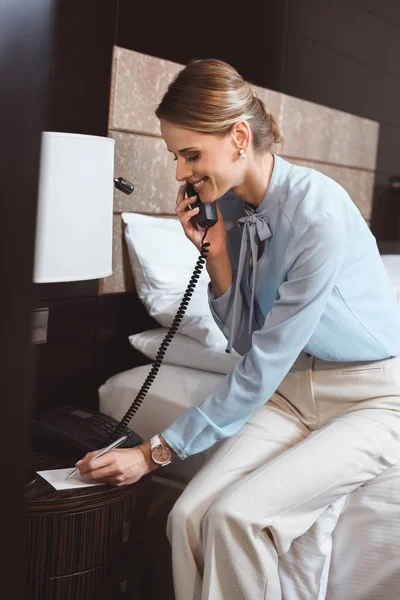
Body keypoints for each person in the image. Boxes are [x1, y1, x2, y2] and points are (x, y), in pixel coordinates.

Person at [77, 58, 400, 599]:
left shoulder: (315, 209)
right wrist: (219, 258)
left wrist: (156, 451)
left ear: (239, 137)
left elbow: (261, 363)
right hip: (292, 390)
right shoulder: (231, 206)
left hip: (371, 398)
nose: (180, 173)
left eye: (190, 154)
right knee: (186, 517)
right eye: (175, 156)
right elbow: (247, 343)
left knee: (235, 518)